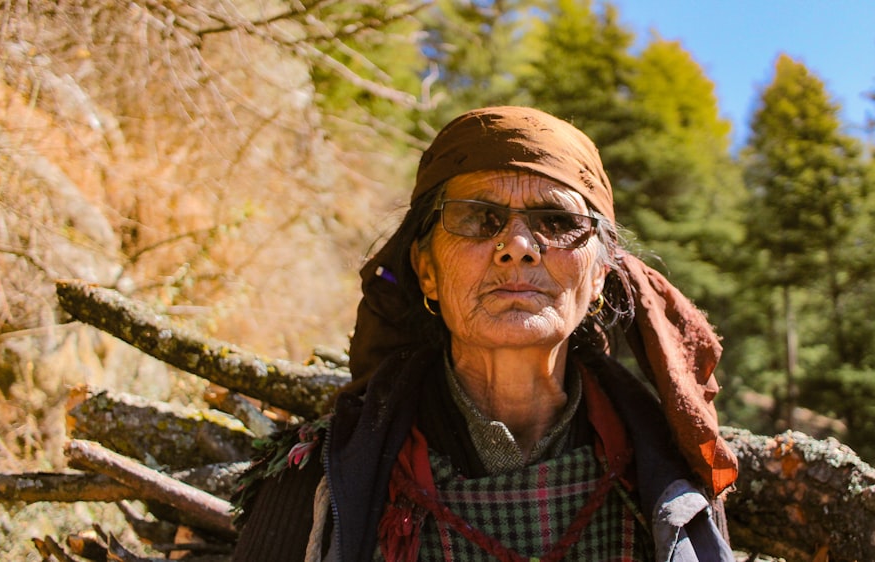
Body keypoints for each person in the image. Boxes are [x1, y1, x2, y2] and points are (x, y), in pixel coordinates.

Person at [231, 106, 738, 561]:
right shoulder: (320, 478)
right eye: (478, 218)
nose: (517, 247)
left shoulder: (671, 487)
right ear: (426, 269)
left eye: (557, 220)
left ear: (600, 275)